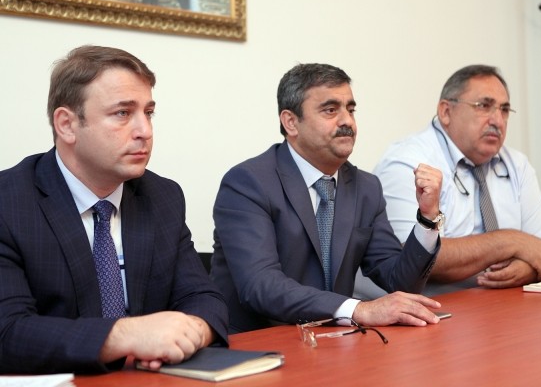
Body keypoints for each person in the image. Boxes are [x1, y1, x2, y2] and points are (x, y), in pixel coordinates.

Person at [0, 45, 228, 374]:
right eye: (122, 113)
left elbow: (204, 299)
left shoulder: (162, 197)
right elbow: (8, 331)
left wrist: (187, 334)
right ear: (66, 124)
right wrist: (126, 336)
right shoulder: (10, 204)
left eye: (148, 113)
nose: (145, 131)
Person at [210, 63, 446, 334]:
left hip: (333, 340)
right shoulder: (248, 183)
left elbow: (400, 282)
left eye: (350, 109)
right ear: (291, 122)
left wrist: (427, 219)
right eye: (330, 110)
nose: (347, 121)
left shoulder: (366, 187)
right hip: (258, 342)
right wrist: (358, 309)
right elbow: (261, 285)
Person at [354, 64, 541, 299]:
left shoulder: (515, 164)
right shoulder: (408, 163)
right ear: (446, 112)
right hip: (430, 308)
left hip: (499, 304)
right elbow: (411, 256)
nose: (498, 120)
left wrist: (529, 268)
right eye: (484, 106)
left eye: (505, 109)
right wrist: (510, 242)